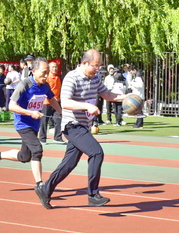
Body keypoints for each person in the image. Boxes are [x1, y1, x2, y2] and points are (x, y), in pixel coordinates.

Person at [35, 49, 128, 209]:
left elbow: (107, 95)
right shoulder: (72, 77)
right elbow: (65, 102)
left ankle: (45, 189)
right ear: (85, 63)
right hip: (72, 125)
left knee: (69, 163)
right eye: (95, 65)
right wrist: (86, 106)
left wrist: (126, 97)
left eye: (99, 66)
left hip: (84, 126)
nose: (97, 69)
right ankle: (93, 195)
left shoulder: (95, 78)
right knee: (96, 152)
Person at [0, 57, 62, 189]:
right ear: (34, 71)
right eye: (44, 72)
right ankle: (40, 185)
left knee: (25, 156)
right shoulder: (24, 84)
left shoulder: (45, 86)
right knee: (37, 150)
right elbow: (11, 106)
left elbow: (51, 99)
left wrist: (61, 113)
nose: (46, 76)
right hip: (22, 124)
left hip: (34, 124)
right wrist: (30, 113)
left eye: (47, 72)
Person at [38, 60, 63, 143]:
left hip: (56, 103)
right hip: (46, 102)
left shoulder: (58, 78)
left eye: (56, 67)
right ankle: (42, 138)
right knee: (44, 120)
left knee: (59, 118)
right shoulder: (46, 79)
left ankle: (58, 137)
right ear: (49, 68)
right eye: (53, 67)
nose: (55, 68)